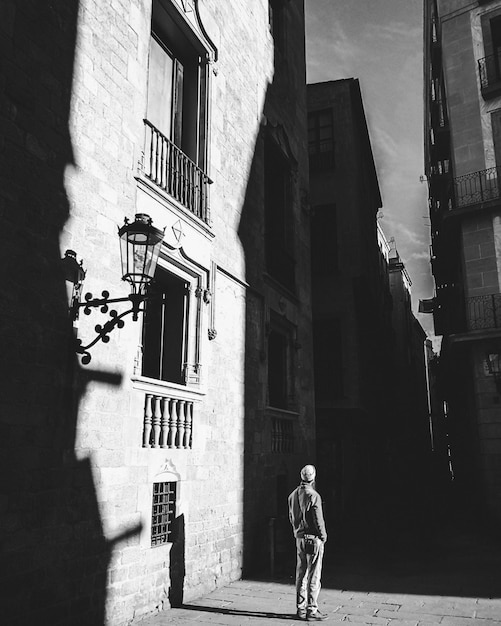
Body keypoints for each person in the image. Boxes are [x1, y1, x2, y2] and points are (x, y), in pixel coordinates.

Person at [288, 465, 328, 621]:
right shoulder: (314, 496)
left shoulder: (292, 495)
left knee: (301, 574)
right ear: (314, 477)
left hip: (299, 538)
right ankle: (312, 609)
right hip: (313, 538)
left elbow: (291, 517)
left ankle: (300, 608)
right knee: (314, 574)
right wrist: (323, 536)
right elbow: (318, 520)